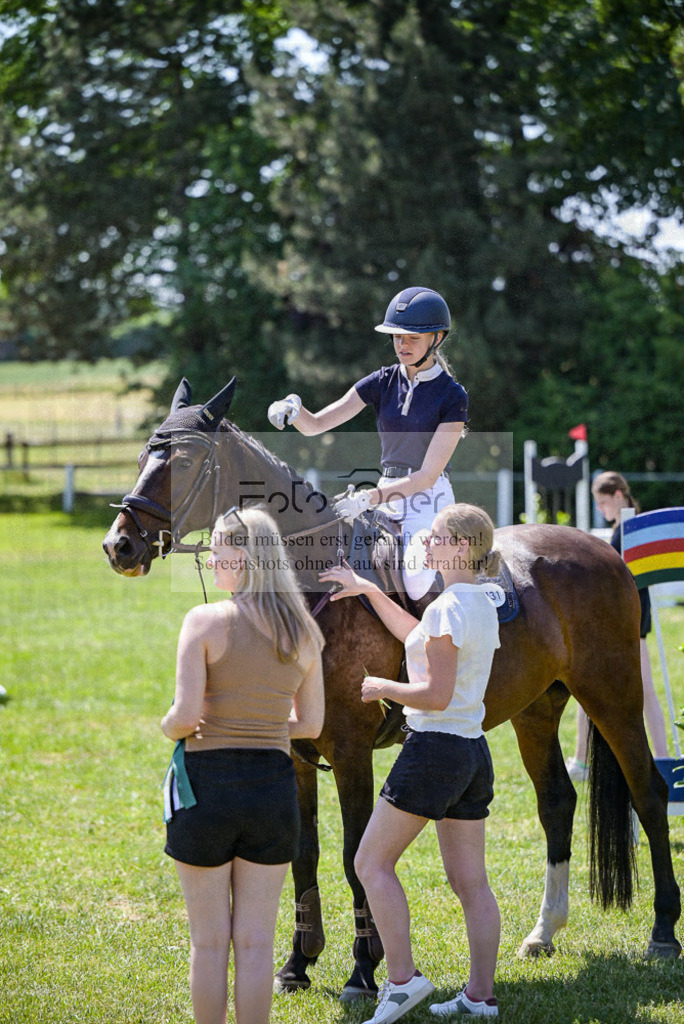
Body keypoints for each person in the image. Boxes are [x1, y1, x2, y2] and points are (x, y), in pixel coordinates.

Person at [320, 503, 502, 1021]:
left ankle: (402, 982)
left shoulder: (447, 609)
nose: (426, 542)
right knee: (471, 883)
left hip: (434, 752)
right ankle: (480, 998)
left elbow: (436, 694)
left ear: (461, 548)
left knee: (370, 864)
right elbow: (417, 637)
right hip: (472, 752)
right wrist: (369, 589)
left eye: (437, 537)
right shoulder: (478, 602)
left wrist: (384, 687)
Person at [161, 507, 325, 1024]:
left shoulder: (204, 620)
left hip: (207, 790)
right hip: (273, 792)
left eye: (216, 550)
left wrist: (166, 725)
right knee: (256, 944)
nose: (210, 559)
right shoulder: (305, 631)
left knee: (208, 943)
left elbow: (185, 717)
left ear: (245, 556)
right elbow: (311, 723)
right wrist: (262, 723)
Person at [268, 286, 468, 601]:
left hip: (427, 499)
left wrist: (368, 498)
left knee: (416, 579)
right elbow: (316, 425)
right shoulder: (382, 381)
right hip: (385, 492)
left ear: (437, 338)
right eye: (397, 337)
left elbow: (427, 476)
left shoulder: (453, 395)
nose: (402, 345)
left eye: (413, 338)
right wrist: (295, 409)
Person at [566, 470, 668, 782]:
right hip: (632, 619)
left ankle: (584, 761)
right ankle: (662, 757)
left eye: (603, 502)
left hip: (624, 621)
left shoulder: (627, 530)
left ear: (619, 496)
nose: (600, 508)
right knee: (642, 692)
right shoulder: (630, 528)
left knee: (593, 687)